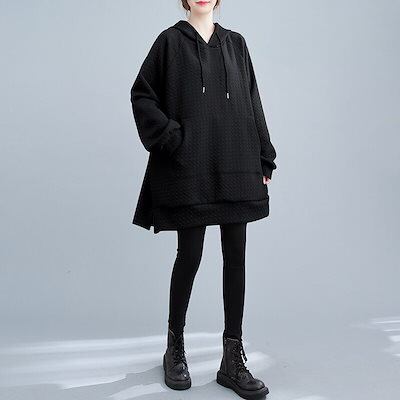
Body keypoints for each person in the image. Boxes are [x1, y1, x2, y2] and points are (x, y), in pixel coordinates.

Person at [130, 1, 277, 399]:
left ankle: (232, 358)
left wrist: (264, 154)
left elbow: (252, 99)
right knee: (190, 254)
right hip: (191, 165)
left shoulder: (237, 44)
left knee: (236, 256)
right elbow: (142, 94)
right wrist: (171, 137)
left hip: (236, 158)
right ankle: (174, 347)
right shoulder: (169, 42)